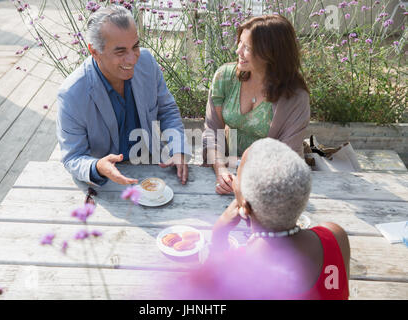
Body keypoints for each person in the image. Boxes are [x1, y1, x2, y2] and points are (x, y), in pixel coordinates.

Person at [178, 138, 349, 299]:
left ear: (245, 205)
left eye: (238, 172)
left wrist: (219, 236)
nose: (235, 179)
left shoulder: (235, 268)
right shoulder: (335, 236)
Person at [56, 5, 190, 187]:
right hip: (105, 183)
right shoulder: (70, 94)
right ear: (94, 51)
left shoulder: (147, 62)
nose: (133, 58)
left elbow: (167, 110)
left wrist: (178, 149)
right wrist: (96, 166)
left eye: (135, 46)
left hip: (153, 167)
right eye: (120, 52)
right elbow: (73, 157)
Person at [202, 14, 310, 195]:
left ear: (270, 54)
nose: (238, 51)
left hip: (273, 180)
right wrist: (220, 167)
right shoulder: (225, 76)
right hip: (226, 171)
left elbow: (284, 157)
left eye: (247, 48)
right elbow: (212, 129)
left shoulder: (296, 97)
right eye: (239, 43)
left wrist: (237, 165)